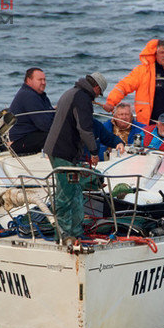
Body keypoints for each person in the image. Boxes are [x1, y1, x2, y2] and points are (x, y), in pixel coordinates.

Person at [44, 72, 108, 243]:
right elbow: (85, 129)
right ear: (96, 88)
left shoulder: (72, 92)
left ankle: (76, 231)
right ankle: (63, 235)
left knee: (76, 191)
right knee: (66, 194)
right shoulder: (82, 98)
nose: (97, 97)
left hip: (62, 150)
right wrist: (94, 152)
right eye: (99, 93)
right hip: (62, 151)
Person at [8, 67, 55, 155]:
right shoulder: (28, 96)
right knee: (58, 135)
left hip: (32, 135)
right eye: (40, 80)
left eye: (44, 80)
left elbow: (51, 116)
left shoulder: (40, 96)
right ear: (29, 80)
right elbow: (45, 125)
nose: (43, 83)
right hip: (20, 141)